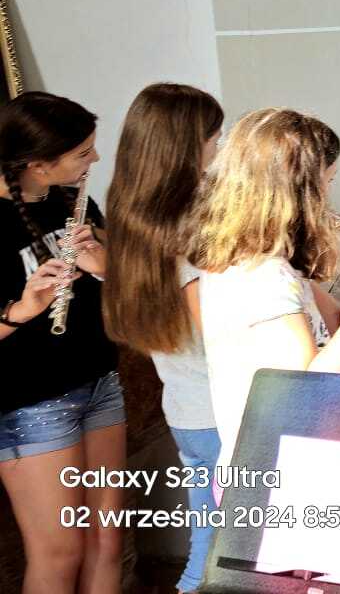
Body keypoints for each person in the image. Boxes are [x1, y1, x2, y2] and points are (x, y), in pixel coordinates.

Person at [194, 110, 340, 481]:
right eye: (327, 182)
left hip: (293, 463)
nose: (329, 196)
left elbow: (337, 331)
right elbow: (312, 390)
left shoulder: (276, 262)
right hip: (275, 477)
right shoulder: (261, 275)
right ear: (298, 192)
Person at [101, 84, 224, 593]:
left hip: (186, 401)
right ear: (187, 145)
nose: (219, 147)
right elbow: (217, 332)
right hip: (217, 407)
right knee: (218, 551)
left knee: (210, 538)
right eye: (214, 136)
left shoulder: (134, 212)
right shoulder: (189, 227)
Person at [0, 92, 122, 594]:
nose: (95, 159)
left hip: (100, 382)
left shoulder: (72, 200)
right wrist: (21, 310)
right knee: (59, 552)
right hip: (31, 401)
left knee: (105, 540)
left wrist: (102, 266)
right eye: (82, 153)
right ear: (38, 164)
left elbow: (120, 283)